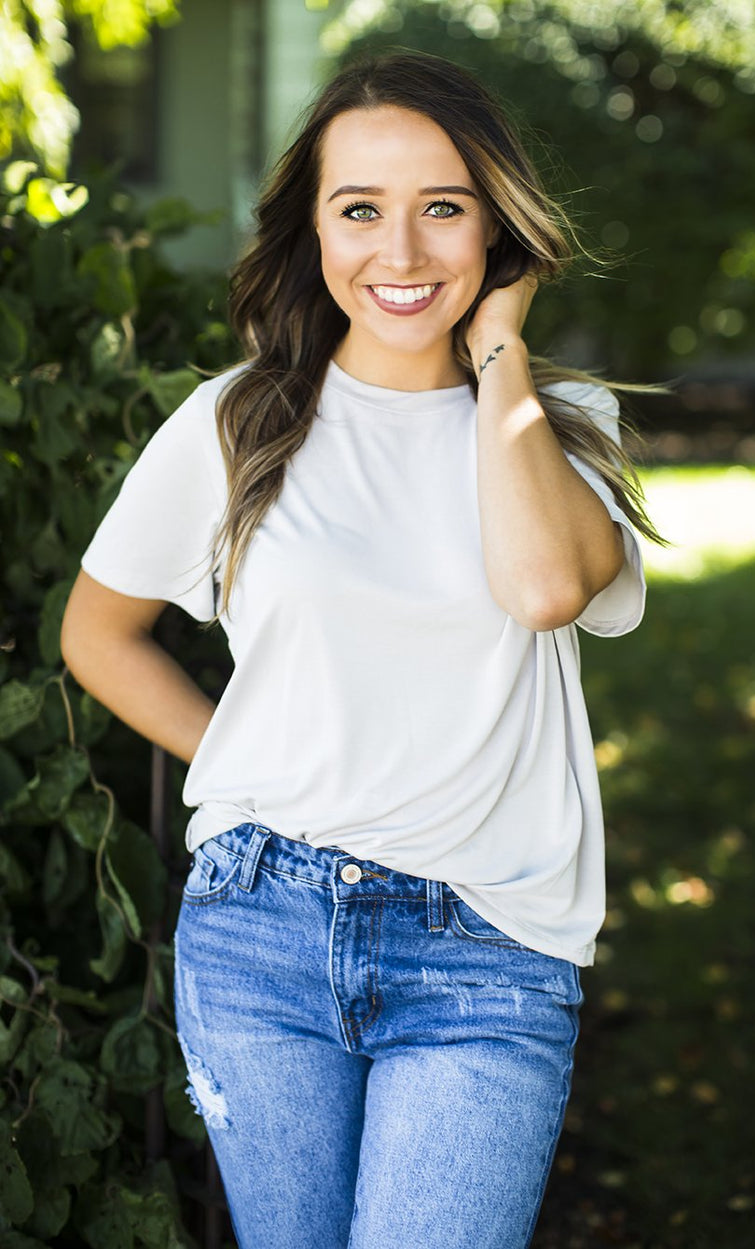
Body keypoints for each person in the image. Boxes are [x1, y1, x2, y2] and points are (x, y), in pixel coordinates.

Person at [61, 49, 660, 1249]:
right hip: (258, 931)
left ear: (498, 227)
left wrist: (496, 355)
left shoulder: (562, 430)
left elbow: (543, 588)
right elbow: (97, 632)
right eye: (359, 210)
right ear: (311, 229)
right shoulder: (234, 423)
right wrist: (245, 757)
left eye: (443, 207)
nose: (400, 253)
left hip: (483, 955)